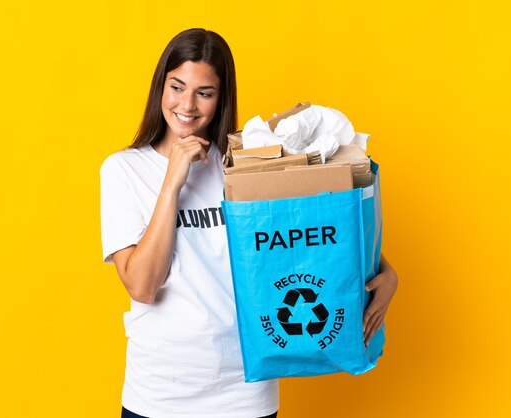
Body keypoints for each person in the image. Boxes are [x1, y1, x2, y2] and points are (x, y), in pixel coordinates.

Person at [100, 28, 397, 418]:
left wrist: (387, 274)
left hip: (243, 390)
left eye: (204, 92)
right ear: (161, 87)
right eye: (177, 87)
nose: (187, 104)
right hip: (159, 391)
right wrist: (173, 181)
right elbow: (142, 285)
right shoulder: (125, 169)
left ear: (221, 98)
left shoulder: (246, 167)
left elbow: (308, 239)